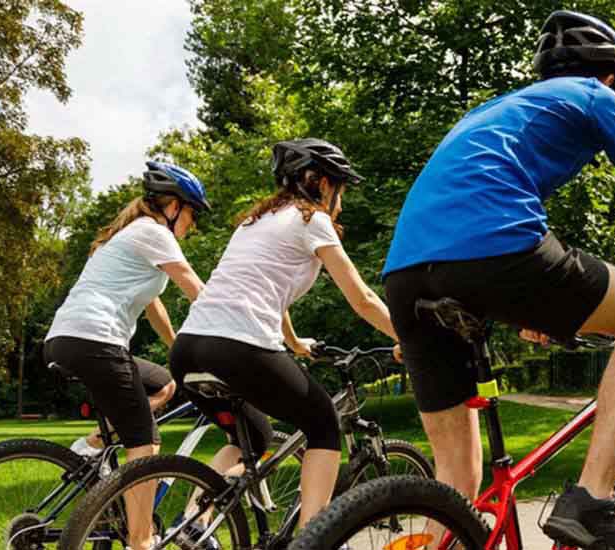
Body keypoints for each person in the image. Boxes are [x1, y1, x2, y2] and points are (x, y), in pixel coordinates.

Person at [381, 10, 615, 550]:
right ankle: (591, 499)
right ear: (609, 76)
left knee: (456, 489)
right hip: (495, 247)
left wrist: (533, 309)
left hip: (403, 275)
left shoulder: (491, 111)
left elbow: (462, 226)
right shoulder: (595, 97)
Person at [169, 138, 401, 546]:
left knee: (251, 439)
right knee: (323, 423)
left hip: (188, 346)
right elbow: (362, 299)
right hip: (237, 346)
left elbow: (267, 291)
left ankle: (193, 522)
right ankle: (315, 538)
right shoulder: (313, 221)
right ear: (322, 183)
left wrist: (293, 341)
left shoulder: (255, 222)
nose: (341, 202)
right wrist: (409, 339)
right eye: (340, 190)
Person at [43, 161, 209, 550]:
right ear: (172, 207)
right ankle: (142, 541)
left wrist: (177, 348)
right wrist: (222, 335)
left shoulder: (129, 238)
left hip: (67, 339)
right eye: (192, 215)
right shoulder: (153, 232)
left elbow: (154, 307)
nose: (192, 225)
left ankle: (94, 446)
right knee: (146, 443)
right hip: (96, 340)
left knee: (163, 384)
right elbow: (194, 286)